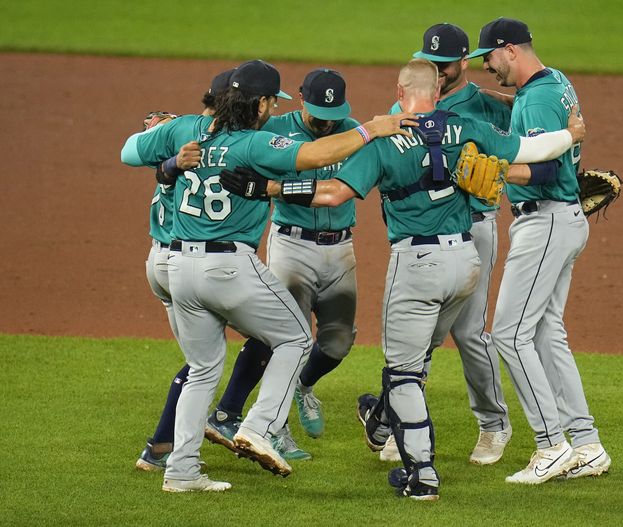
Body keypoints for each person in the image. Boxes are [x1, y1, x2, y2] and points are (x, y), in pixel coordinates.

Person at [221, 59, 584, 500]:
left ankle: (421, 474)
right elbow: (531, 152)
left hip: (417, 265)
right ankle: (382, 425)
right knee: (425, 349)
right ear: (437, 90)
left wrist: (271, 190)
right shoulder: (467, 126)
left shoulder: (384, 139)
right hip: (466, 263)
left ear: (400, 89)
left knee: (403, 374)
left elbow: (332, 192)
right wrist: (572, 136)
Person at [121, 59, 416, 492]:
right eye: (269, 102)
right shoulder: (253, 144)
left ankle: (181, 471)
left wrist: (169, 160)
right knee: (296, 338)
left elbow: (129, 150)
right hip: (227, 266)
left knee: (203, 369)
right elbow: (315, 154)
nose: (272, 109)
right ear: (259, 103)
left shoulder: (182, 130)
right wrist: (372, 128)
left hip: (177, 265)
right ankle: (260, 427)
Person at [468, 17, 611, 484]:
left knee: (509, 334)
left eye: (489, 57)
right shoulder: (556, 82)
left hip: (546, 219)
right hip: (564, 221)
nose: (488, 66)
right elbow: (534, 112)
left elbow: (545, 173)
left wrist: (494, 167)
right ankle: (587, 445)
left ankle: (551, 445)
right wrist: (499, 100)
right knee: (547, 332)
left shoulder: (537, 98)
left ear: (509, 50)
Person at [204, 69, 362, 461]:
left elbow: (341, 192)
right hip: (292, 245)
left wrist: (272, 188)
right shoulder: (273, 130)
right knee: (281, 335)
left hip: (341, 249)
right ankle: (274, 428)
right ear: (301, 100)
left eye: (333, 112)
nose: (326, 121)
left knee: (339, 341)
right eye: (317, 112)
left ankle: (303, 387)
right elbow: (220, 135)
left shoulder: (353, 130)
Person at [382, 22, 513, 466]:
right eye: (429, 62)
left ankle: (494, 425)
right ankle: (400, 418)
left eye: (444, 64)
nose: (436, 71)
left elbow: (526, 142)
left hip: (473, 226)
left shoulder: (489, 106)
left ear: (463, 62)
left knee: (469, 331)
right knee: (420, 335)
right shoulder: (406, 104)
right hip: (421, 236)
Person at [135, 69, 232, 471]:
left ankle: (160, 447)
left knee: (199, 359)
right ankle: (216, 425)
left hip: (158, 261)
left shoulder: (174, 157)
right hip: (183, 261)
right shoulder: (203, 155)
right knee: (207, 360)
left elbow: (138, 150)